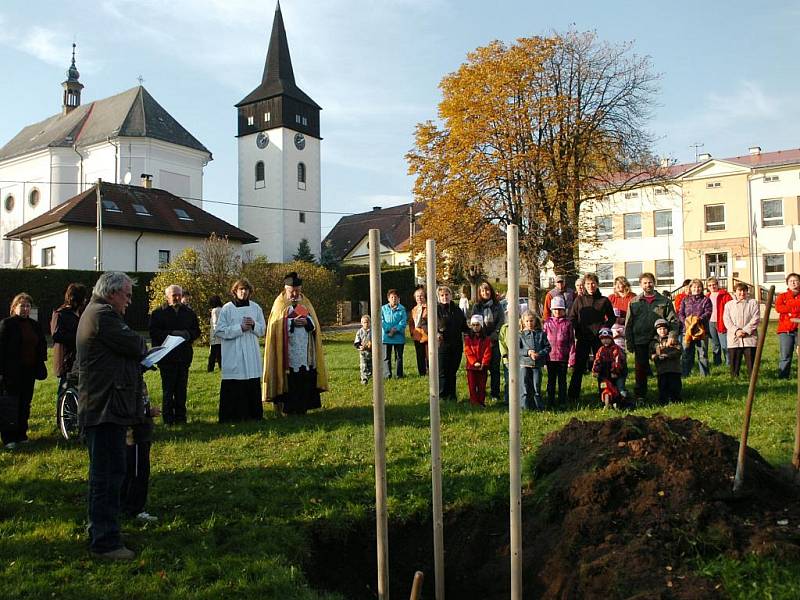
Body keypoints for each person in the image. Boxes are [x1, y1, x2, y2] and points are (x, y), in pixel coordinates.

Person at [76, 272, 147, 560]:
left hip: (104, 404)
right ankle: (105, 542)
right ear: (112, 292)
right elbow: (135, 345)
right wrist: (140, 348)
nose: (129, 301)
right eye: (127, 295)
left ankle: (102, 529)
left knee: (106, 474)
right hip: (104, 407)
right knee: (107, 476)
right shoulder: (103, 316)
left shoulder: (97, 312)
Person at [263, 272, 328, 415]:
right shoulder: (280, 303)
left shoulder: (304, 302)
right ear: (286, 289)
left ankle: (303, 406)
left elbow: (314, 323)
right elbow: (276, 325)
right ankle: (287, 408)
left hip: (304, 347)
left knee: (304, 375)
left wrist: (307, 322)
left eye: (297, 291)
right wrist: (291, 322)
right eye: (292, 292)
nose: (295, 294)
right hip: (286, 350)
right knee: (289, 377)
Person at [0, 293, 47, 449]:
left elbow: (41, 344)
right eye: (22, 306)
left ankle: (22, 434)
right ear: (14, 307)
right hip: (11, 372)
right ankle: (9, 438)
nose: (26, 309)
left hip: (29, 371)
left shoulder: (35, 325)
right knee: (11, 404)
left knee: (25, 404)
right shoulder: (7, 325)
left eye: (28, 306)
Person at [216, 278, 266, 422]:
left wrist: (253, 325)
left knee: (251, 382)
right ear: (235, 291)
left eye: (246, 289)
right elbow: (219, 331)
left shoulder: (256, 308)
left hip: (251, 351)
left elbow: (262, 329)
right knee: (234, 384)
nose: (243, 292)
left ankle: (253, 415)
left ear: (250, 291)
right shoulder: (227, 308)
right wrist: (239, 328)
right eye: (241, 289)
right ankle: (232, 417)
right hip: (233, 351)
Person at [149, 285, 200, 425]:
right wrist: (171, 333)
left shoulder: (189, 313)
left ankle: (181, 417)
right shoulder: (158, 313)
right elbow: (154, 333)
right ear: (167, 297)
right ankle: (168, 419)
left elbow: (196, 331)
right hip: (167, 357)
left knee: (181, 390)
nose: (177, 297)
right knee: (168, 390)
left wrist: (188, 334)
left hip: (184, 357)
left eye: (179, 294)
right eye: (174, 295)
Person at [625, 272, 677, 402]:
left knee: (665, 368)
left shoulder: (664, 301)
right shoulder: (634, 302)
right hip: (640, 340)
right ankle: (640, 395)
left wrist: (671, 335)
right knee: (640, 370)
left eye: (650, 282)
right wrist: (629, 342)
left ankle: (667, 395)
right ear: (640, 284)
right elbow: (628, 324)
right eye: (645, 283)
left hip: (660, 340)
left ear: (654, 283)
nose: (648, 285)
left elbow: (673, 321)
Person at [567, 273, 615, 401]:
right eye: (588, 283)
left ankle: (605, 394)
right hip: (583, 338)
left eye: (593, 283)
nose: (590, 286)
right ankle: (573, 396)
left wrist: (605, 328)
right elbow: (572, 317)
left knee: (603, 367)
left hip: (599, 339)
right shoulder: (579, 300)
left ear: (597, 284)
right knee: (579, 367)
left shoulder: (604, 300)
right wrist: (577, 329)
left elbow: (612, 318)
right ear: (584, 285)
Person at [121, 376, 161, 523]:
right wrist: (148, 412)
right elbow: (130, 409)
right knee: (137, 473)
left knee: (141, 471)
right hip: (135, 434)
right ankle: (134, 508)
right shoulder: (128, 380)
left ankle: (129, 505)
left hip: (143, 431)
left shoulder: (137, 379)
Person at [51, 283, 88, 397]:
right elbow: (57, 335)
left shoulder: (81, 314)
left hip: (80, 358)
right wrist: (78, 337)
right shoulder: (60, 314)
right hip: (66, 359)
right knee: (65, 388)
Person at [471, 281, 505, 401]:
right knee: (481, 368)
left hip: (494, 341)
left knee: (495, 368)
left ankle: (495, 393)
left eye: (487, 290)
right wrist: (484, 339)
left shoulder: (498, 306)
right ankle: (480, 392)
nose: (485, 292)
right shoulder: (476, 306)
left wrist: (492, 337)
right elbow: (474, 323)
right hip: (481, 342)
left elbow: (501, 322)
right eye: (483, 291)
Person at [436, 286, 468, 401]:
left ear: (451, 295)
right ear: (439, 297)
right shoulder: (436, 309)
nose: (445, 297)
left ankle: (452, 395)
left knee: (453, 371)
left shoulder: (457, 309)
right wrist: (436, 333)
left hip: (456, 344)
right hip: (442, 345)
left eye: (447, 294)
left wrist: (472, 331)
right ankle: (442, 395)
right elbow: (430, 325)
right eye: (442, 295)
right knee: (442, 371)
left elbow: (464, 325)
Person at [723, 283, 760, 378]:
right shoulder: (729, 305)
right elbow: (727, 320)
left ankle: (752, 379)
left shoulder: (753, 303)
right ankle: (734, 379)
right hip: (734, 337)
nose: (742, 293)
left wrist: (745, 330)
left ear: (747, 292)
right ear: (735, 292)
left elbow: (756, 318)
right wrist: (736, 331)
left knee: (751, 361)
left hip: (749, 337)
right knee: (734, 361)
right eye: (739, 290)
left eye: (744, 290)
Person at [544, 296, 573, 409]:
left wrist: (571, 358)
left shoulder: (568, 324)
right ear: (552, 310)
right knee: (551, 381)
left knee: (562, 381)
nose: (557, 312)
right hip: (550, 358)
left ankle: (562, 401)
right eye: (555, 309)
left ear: (564, 310)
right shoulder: (547, 323)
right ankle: (550, 401)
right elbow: (543, 341)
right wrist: (544, 358)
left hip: (563, 357)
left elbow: (571, 342)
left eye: (560, 309)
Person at [678, 278, 712, 377]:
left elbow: (708, 312)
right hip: (687, 331)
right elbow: (680, 313)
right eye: (694, 287)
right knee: (686, 353)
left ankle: (704, 375)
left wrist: (698, 320)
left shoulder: (706, 300)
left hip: (701, 331)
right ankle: (685, 374)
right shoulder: (685, 299)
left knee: (702, 353)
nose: (696, 289)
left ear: (702, 288)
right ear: (690, 288)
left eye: (699, 287)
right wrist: (686, 322)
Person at [519, 311, 550, 410]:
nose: (529, 323)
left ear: (535, 321)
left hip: (537, 364)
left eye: (531, 321)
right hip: (524, 364)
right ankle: (525, 407)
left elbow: (548, 347)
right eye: (527, 321)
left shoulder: (541, 334)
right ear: (523, 322)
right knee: (525, 386)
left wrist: (539, 354)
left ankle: (539, 407)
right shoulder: (521, 335)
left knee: (536, 386)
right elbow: (517, 350)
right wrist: (528, 352)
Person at [650, 319, 682, 404]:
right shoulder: (654, 342)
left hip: (674, 368)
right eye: (660, 329)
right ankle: (663, 400)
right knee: (662, 385)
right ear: (656, 330)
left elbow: (678, 350)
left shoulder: (672, 339)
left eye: (664, 329)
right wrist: (656, 357)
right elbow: (651, 354)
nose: (662, 331)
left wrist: (669, 355)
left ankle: (676, 400)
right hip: (661, 369)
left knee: (675, 385)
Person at [592, 328, 625, 409]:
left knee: (619, 388)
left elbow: (617, 361)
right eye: (603, 339)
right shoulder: (601, 350)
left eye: (607, 338)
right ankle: (604, 402)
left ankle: (621, 401)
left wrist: (615, 371)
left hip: (615, 373)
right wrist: (595, 370)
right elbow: (597, 360)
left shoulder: (615, 349)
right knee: (602, 386)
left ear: (611, 338)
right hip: (604, 373)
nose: (605, 341)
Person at [775, 272, 800, 379]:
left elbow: (786, 308)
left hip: (798, 329)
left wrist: (789, 308)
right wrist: (795, 307)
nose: (794, 283)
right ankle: (783, 376)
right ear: (787, 283)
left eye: (796, 280)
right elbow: (779, 308)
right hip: (785, 330)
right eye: (791, 281)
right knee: (785, 355)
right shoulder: (782, 296)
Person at [464, 314, 492, 406]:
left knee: (481, 385)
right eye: (473, 325)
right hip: (471, 367)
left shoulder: (486, 339)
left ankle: (481, 401)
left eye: (477, 325)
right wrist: (474, 362)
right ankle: (474, 402)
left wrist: (484, 363)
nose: (475, 327)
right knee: (472, 386)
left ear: (481, 325)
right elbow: (468, 351)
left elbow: (487, 351)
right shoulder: (468, 338)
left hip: (482, 367)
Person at [381, 289, 407, 379]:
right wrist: (389, 329)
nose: (394, 299)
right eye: (392, 297)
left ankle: (399, 374)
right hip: (386, 336)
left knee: (399, 357)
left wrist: (395, 330)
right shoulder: (383, 309)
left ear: (398, 298)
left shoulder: (402, 309)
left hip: (399, 337)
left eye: (395, 297)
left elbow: (403, 322)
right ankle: (387, 374)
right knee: (386, 357)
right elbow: (381, 321)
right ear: (388, 298)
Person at [706, 277, 732, 367]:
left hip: (722, 322)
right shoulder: (707, 296)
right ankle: (717, 363)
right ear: (707, 287)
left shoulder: (725, 295)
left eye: (714, 284)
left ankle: (729, 363)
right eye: (710, 285)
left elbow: (731, 308)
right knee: (715, 345)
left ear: (717, 285)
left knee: (725, 344)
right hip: (710, 322)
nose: (712, 286)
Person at [408, 285, 428, 376]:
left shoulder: (429, 307)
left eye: (421, 296)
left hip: (427, 335)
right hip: (417, 335)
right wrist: (412, 332)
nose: (419, 298)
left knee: (429, 355)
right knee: (419, 355)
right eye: (417, 296)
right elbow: (411, 322)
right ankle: (422, 373)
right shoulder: (414, 309)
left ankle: (431, 371)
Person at [354, 314, 373, 385]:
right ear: (361, 323)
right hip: (363, 352)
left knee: (371, 366)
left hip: (371, 352)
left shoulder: (373, 331)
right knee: (363, 366)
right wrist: (360, 347)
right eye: (364, 322)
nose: (366, 324)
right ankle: (364, 380)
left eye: (368, 322)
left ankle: (371, 377)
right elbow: (356, 342)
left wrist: (371, 345)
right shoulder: (359, 332)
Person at [207, 295, 223, 372]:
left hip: (216, 335)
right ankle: (221, 367)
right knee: (220, 353)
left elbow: (215, 323)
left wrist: (213, 335)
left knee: (213, 354)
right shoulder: (222, 309)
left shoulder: (215, 310)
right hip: (222, 335)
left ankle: (210, 369)